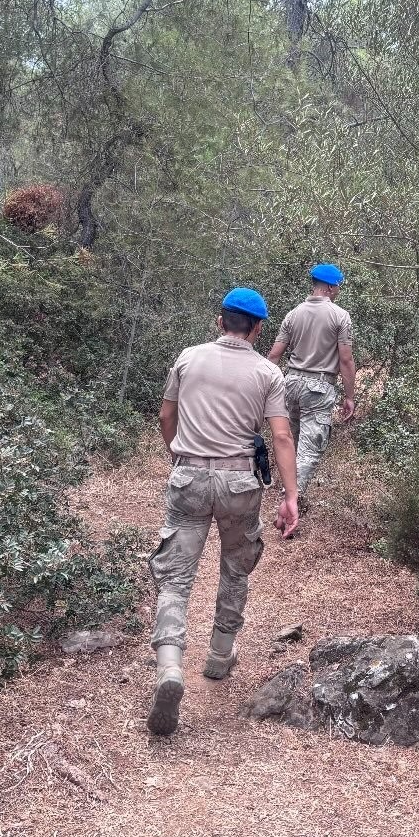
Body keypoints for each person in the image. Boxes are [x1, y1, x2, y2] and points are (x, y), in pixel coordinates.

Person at [148, 288, 299, 737]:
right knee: (236, 568)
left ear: (220, 321)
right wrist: (290, 497)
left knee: (175, 578)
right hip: (239, 483)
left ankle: (170, 666)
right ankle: (218, 656)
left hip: (189, 478)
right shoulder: (267, 372)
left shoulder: (188, 359)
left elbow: (165, 417)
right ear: (257, 329)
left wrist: (178, 454)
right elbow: (282, 437)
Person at [266, 263, 356, 504]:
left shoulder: (293, 314)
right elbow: (345, 360)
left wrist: (266, 389)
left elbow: (274, 355)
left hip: (290, 383)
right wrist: (349, 397)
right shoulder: (340, 316)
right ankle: (290, 502)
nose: (338, 290)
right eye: (337, 286)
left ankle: (290, 493)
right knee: (308, 450)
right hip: (318, 387)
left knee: (291, 443)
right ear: (328, 286)